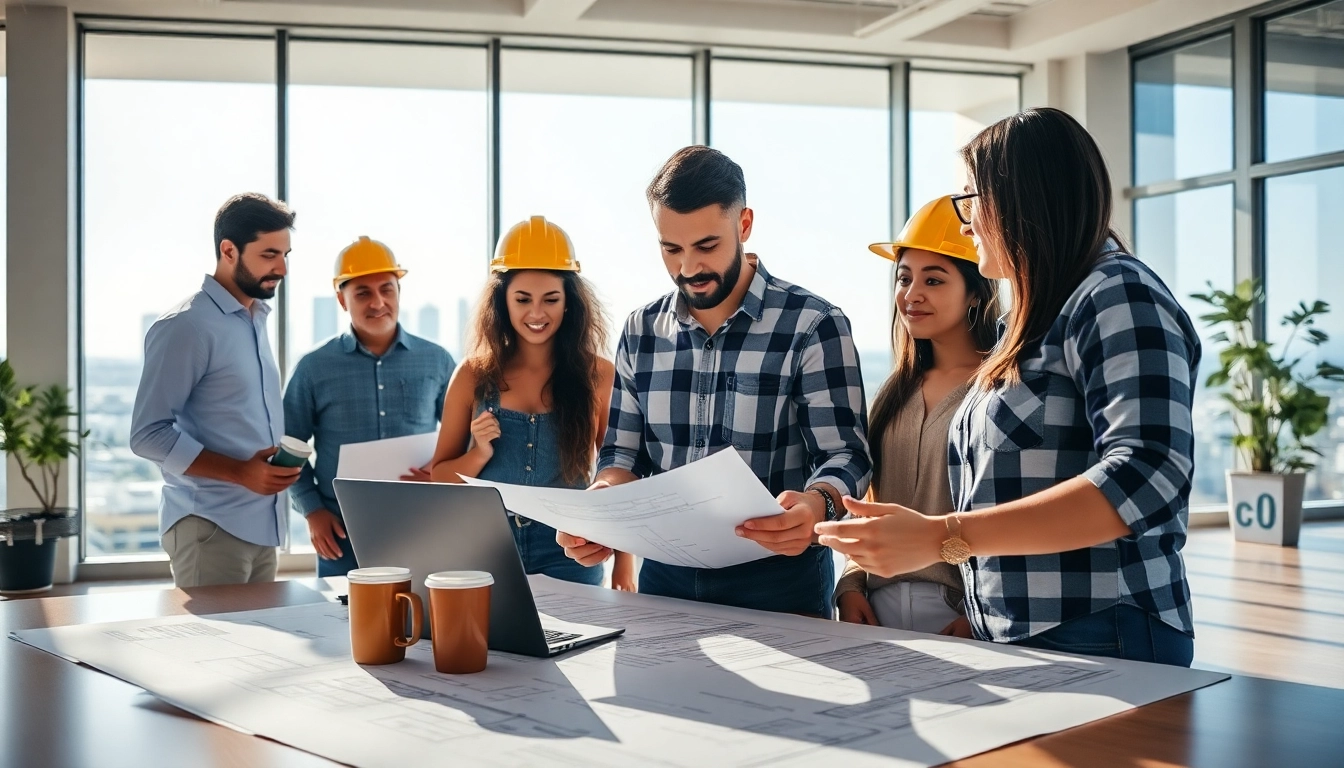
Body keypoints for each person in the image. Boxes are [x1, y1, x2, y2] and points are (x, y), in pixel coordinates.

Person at [817, 108, 1200, 666]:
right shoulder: (1028, 322)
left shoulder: (1116, 294)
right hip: (1016, 629)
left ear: (1024, 199)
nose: (966, 219)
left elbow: (1148, 473)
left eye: (972, 198)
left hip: (1099, 625)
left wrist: (942, 537)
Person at [558, 146, 871, 615]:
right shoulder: (641, 331)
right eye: (671, 249)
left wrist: (814, 506)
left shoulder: (813, 324)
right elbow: (621, 456)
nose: (688, 269)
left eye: (707, 246)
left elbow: (845, 454)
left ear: (743, 225)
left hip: (780, 582)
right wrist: (601, 510)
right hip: (664, 577)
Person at [430, 217, 636, 590]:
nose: (536, 314)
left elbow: (617, 471)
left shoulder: (599, 375)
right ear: (503, 302)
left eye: (551, 300)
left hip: (571, 548)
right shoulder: (472, 375)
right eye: (522, 299)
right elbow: (439, 476)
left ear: (569, 303)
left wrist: (625, 561)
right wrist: (478, 453)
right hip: (484, 545)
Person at [833, 196, 999, 634]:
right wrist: (850, 584)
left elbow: (1009, 508)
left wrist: (980, 615)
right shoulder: (895, 390)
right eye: (903, 278)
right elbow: (867, 506)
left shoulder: (997, 390)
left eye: (935, 280)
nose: (912, 294)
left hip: (963, 613)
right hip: (877, 612)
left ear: (975, 292)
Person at [130, 193, 300, 587]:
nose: (283, 269)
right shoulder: (186, 326)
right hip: (208, 528)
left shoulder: (253, 319)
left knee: (258, 650)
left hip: (261, 527)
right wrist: (241, 472)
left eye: (286, 254)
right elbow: (147, 435)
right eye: (269, 254)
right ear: (229, 251)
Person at [284, 236, 456, 577]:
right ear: (341, 299)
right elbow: (289, 448)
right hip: (341, 530)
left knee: (421, 622)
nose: (378, 302)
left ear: (398, 293)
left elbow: (462, 436)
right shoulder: (314, 368)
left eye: (387, 289)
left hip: (421, 522)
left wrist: (441, 470)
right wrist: (312, 511)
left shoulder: (437, 360)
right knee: (340, 625)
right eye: (363, 292)